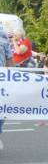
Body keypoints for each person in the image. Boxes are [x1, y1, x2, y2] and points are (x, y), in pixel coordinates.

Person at [0, 23, 13, 151]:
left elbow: (9, 58)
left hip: (1, 78)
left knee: (1, 108)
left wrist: (13, 77)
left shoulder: (2, 34)